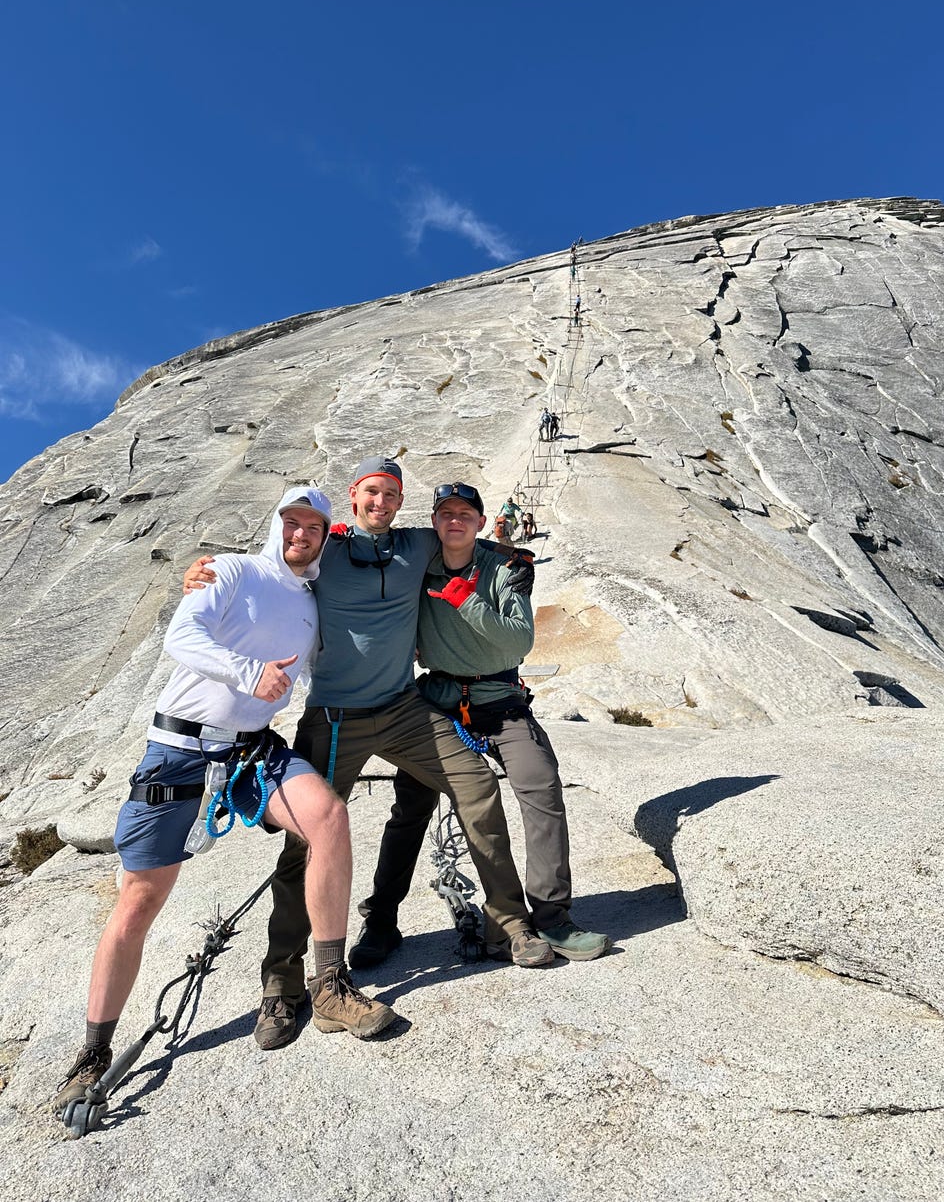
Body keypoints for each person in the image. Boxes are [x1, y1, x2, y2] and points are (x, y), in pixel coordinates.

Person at [185, 458, 551, 1051]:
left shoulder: (416, 545)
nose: (380, 502)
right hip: (334, 718)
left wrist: (516, 557)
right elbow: (273, 564)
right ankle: (283, 983)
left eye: (391, 494)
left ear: (401, 503)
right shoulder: (324, 549)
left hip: (404, 707)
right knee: (305, 842)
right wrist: (204, 573)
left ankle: (507, 919)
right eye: (371, 492)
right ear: (353, 497)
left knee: (477, 784)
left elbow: (467, 537)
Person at [51, 489, 394, 1115]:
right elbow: (182, 637)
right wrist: (247, 672)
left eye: (314, 527)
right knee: (139, 900)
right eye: (292, 521)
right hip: (177, 752)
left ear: (325, 536)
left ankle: (328, 987)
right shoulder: (231, 570)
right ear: (275, 524)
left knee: (328, 817)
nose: (302, 533)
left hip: (250, 752)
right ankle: (94, 1049)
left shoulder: (313, 600)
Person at [351, 481, 610, 969]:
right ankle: (381, 919)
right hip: (439, 702)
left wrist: (465, 600)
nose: (454, 521)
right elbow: (366, 544)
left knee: (541, 789)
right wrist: (345, 532)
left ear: (478, 519)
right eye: (445, 512)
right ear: (433, 521)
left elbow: (516, 644)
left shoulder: (506, 567)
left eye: (464, 513)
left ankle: (552, 916)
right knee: (411, 807)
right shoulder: (416, 566)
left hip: (501, 699)